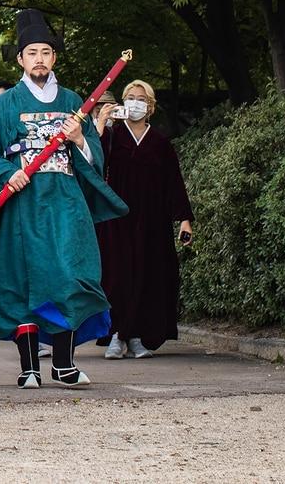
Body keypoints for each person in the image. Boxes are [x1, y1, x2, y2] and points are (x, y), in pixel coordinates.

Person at [0, 9, 127, 389]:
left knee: (69, 277)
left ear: (54, 58)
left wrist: (79, 139)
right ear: (21, 60)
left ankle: (63, 362)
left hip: (65, 206)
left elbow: (94, 155)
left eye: (46, 52)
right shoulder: (5, 105)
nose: (40, 59)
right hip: (22, 206)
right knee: (19, 281)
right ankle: (29, 366)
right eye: (32, 53)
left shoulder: (75, 101)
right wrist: (6, 173)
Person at [96, 80, 195, 359]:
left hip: (152, 219)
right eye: (130, 97)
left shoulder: (160, 143)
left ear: (150, 106)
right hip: (116, 218)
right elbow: (93, 163)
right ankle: (117, 334)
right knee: (117, 275)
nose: (135, 102)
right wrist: (101, 125)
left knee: (147, 274)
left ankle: (137, 334)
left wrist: (184, 220)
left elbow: (174, 183)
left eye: (141, 98)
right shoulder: (113, 137)